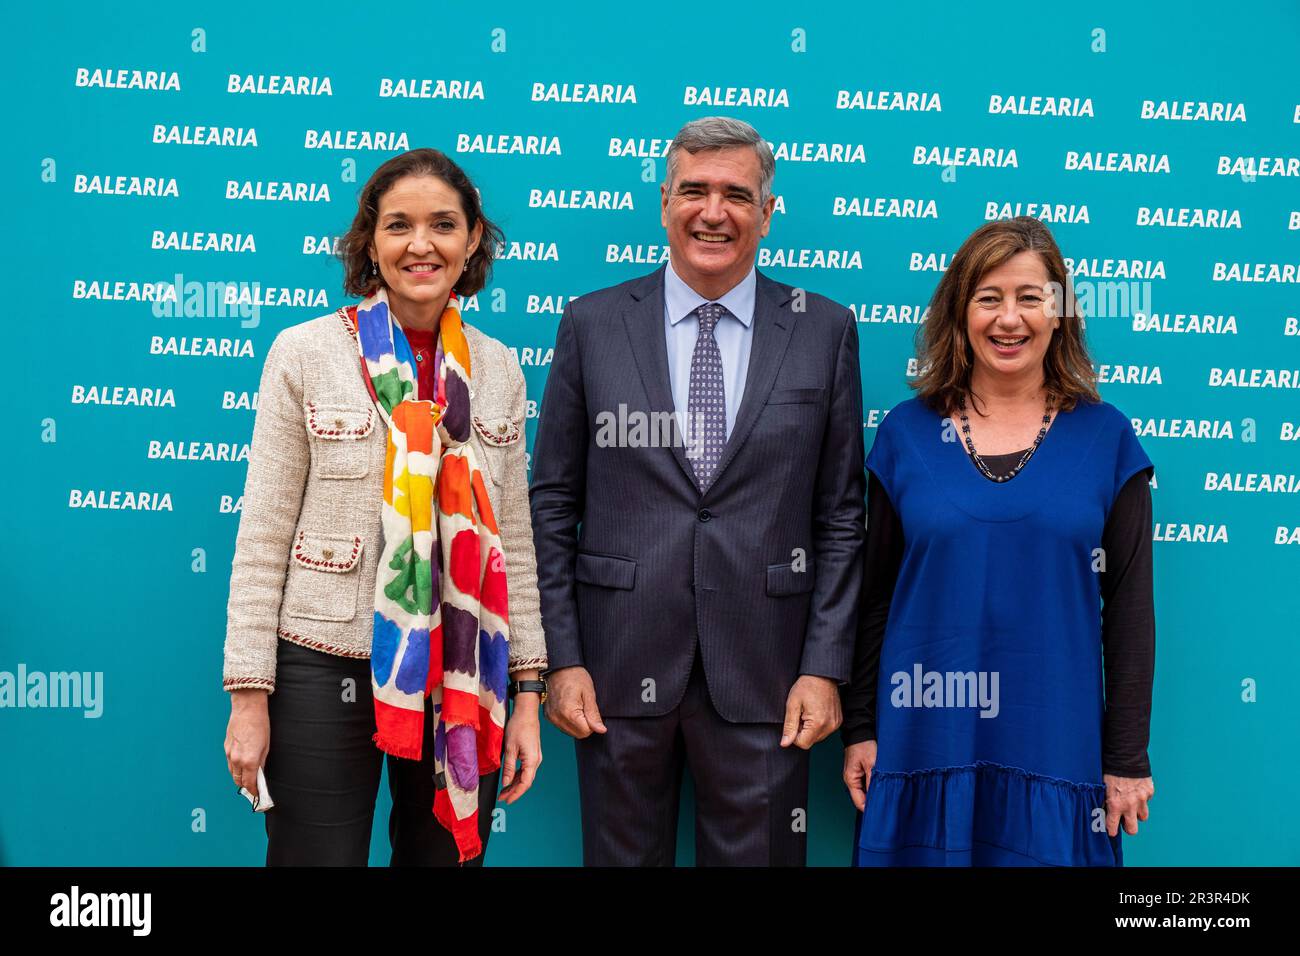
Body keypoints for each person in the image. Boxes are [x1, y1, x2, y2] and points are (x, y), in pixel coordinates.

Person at [530, 116, 865, 866]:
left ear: (768, 214)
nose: (714, 212)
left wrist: (823, 666)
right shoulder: (593, 323)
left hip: (770, 677)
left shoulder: (824, 330)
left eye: (737, 195)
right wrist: (563, 658)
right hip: (614, 668)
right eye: (694, 191)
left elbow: (841, 517)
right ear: (663, 203)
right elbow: (551, 503)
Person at [222, 148, 548, 866]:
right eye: (399, 225)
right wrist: (249, 694)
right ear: (371, 242)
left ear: (471, 243)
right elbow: (263, 532)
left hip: (464, 671)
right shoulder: (303, 353)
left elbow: (514, 544)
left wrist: (528, 692)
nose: (421, 244)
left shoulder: (497, 370)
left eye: (443, 224)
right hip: (322, 659)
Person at [841, 216, 1156, 866]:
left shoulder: (1107, 440)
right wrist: (862, 727)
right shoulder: (906, 436)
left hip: (1055, 744)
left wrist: (1126, 757)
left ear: (1060, 314)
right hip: (924, 740)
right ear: (961, 312)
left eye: (1029, 298)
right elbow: (873, 599)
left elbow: (1129, 611)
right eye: (988, 298)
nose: (1008, 319)